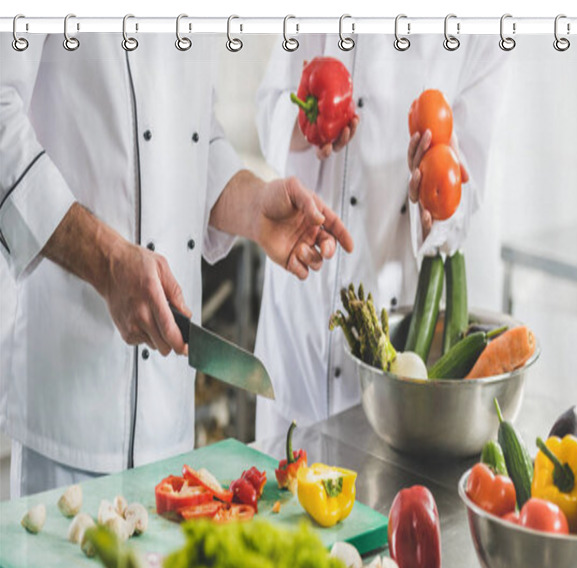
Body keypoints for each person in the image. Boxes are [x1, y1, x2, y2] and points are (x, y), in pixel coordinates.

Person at [0, 33, 352, 497]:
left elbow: (194, 132)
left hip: (170, 429)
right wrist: (107, 263)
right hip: (69, 417)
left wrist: (253, 206)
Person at [253, 34, 506, 441]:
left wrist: (435, 202)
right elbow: (269, 108)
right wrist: (309, 125)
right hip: (296, 322)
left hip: (384, 350)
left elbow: (461, 206)